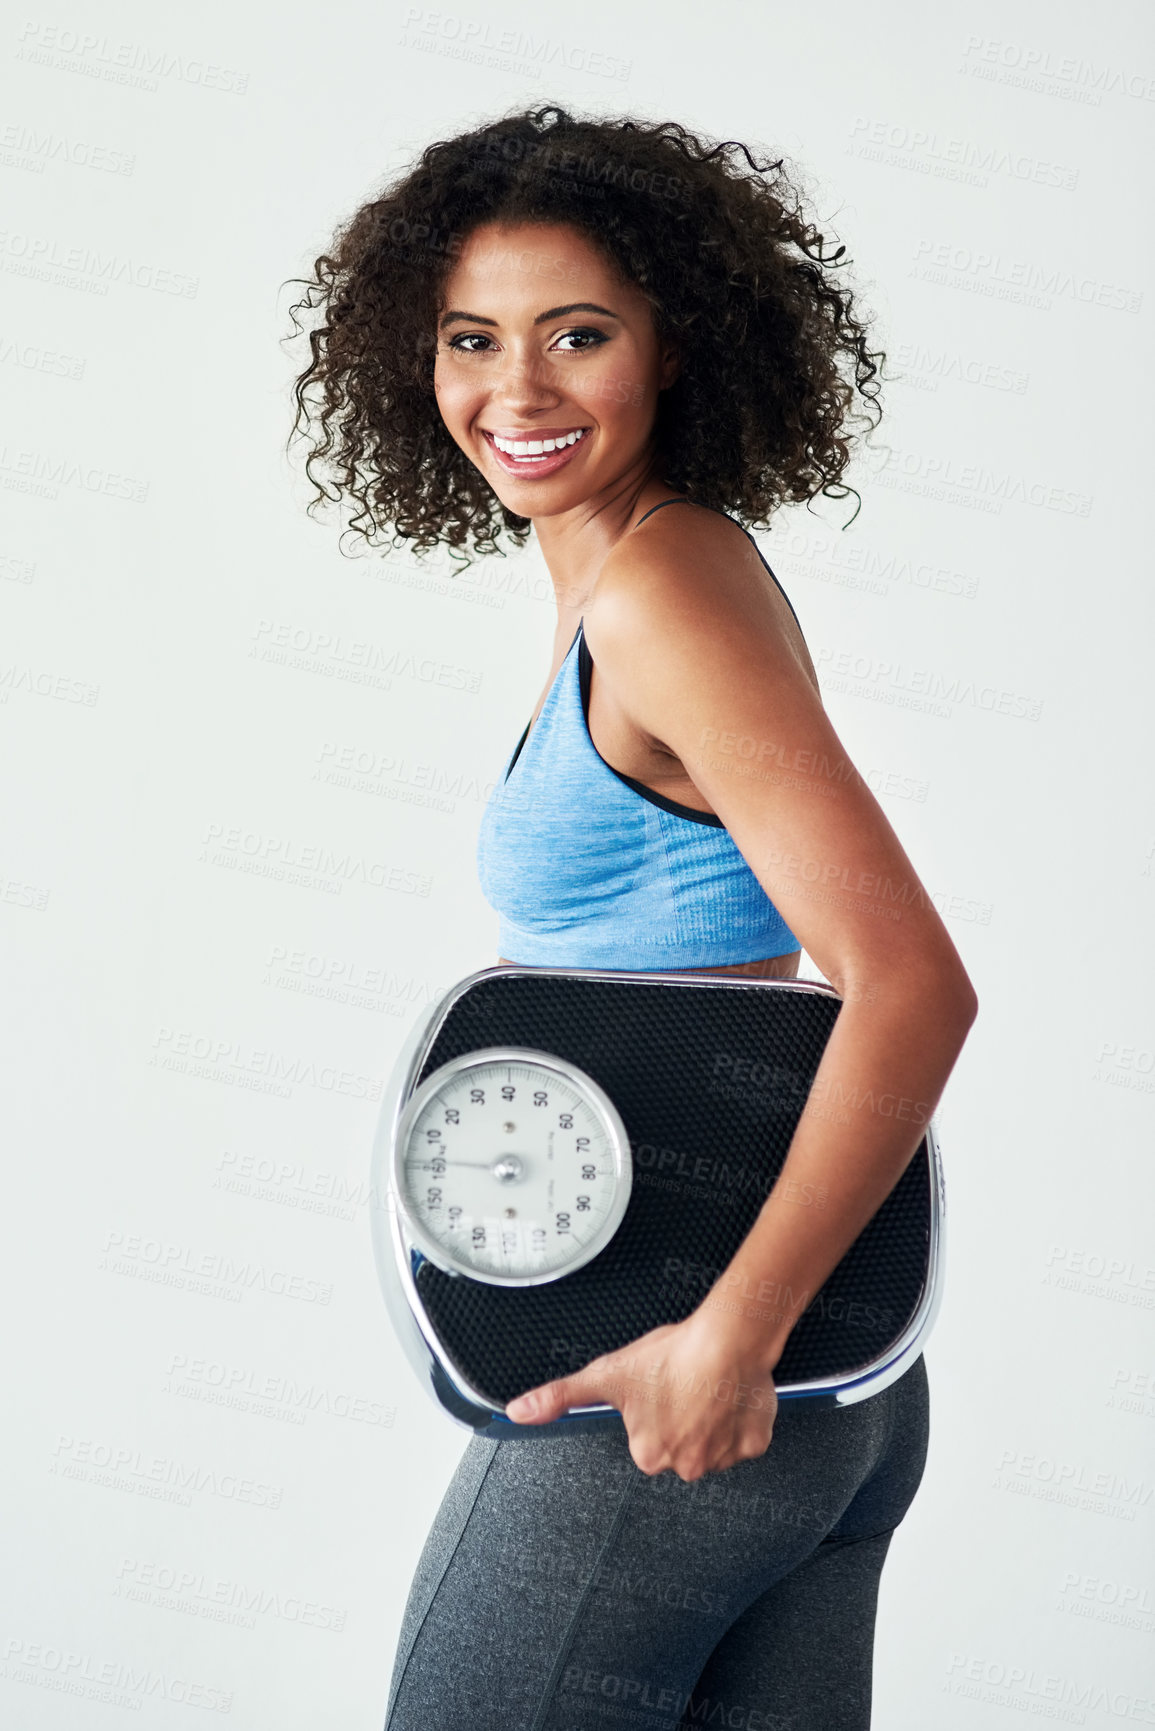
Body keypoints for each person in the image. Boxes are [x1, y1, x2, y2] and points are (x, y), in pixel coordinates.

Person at [286, 103, 978, 1731]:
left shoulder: (665, 595)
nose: (512, 394)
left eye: (574, 335)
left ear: (676, 349)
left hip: (691, 1379)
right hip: (805, 1384)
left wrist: (731, 1335)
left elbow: (911, 984)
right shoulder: (646, 579)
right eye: (470, 340)